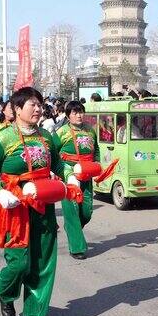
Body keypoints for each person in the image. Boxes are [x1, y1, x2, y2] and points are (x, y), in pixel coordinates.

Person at [0, 87, 77, 316]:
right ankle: (5, 290)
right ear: (17, 109)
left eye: (39, 104)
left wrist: (70, 177)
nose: (37, 109)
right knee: (19, 264)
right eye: (32, 104)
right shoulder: (4, 138)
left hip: (44, 206)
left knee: (43, 262)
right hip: (15, 208)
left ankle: (36, 313)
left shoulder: (46, 136)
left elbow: (59, 163)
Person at [55, 101, 99, 259]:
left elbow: (97, 149)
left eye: (80, 112)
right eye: (74, 112)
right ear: (68, 115)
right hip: (69, 174)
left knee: (86, 211)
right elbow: (53, 153)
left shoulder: (90, 130)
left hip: (86, 173)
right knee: (72, 209)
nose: (78, 115)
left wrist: (97, 165)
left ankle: (73, 228)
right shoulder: (61, 132)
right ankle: (77, 248)